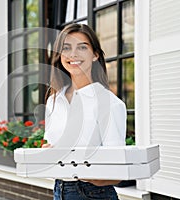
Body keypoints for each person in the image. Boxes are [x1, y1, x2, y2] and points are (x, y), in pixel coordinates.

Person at [42, 23, 127, 199]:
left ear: (95, 55)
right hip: (59, 189)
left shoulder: (109, 103)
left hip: (92, 193)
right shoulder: (53, 101)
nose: (73, 54)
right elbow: (52, 156)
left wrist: (87, 174)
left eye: (82, 47)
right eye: (66, 48)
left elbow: (118, 171)